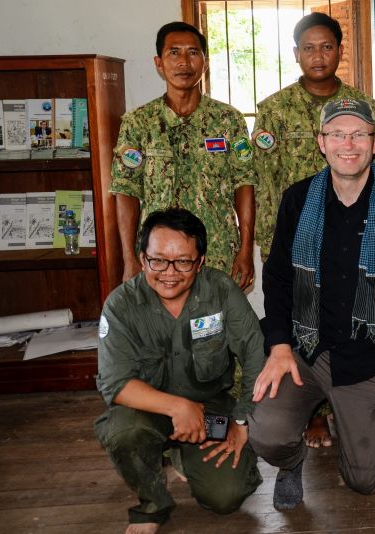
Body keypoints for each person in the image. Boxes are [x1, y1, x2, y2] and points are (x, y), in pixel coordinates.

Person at [247, 98, 375, 510]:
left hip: (369, 357)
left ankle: (349, 421)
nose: (347, 144)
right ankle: (292, 461)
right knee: (267, 435)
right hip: (305, 348)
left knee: (366, 481)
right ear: (321, 142)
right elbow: (279, 277)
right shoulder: (297, 200)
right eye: (337, 134)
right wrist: (279, 346)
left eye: (358, 134)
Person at [95, 208, 265, 533]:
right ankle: (152, 503)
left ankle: (182, 455)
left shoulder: (220, 291)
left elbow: (256, 355)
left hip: (209, 412)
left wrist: (241, 422)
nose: (169, 273)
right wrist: (178, 407)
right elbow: (115, 384)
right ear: (142, 258)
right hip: (148, 412)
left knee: (227, 496)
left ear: (200, 262)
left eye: (183, 262)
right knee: (122, 431)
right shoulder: (121, 305)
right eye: (158, 260)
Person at [252, 12, 375, 449]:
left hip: (353, 237)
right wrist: (270, 245)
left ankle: (342, 404)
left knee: (348, 320)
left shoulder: (362, 105)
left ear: (340, 52)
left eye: (327, 47)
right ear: (296, 54)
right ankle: (311, 413)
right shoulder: (274, 109)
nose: (318, 55)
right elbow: (264, 181)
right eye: (309, 47)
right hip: (297, 240)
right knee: (302, 320)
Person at [110, 21, 255, 288]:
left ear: (205, 62)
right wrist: (130, 258)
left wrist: (245, 251)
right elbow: (125, 191)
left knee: (216, 325)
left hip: (217, 252)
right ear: (158, 62)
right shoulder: (139, 123)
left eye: (193, 52)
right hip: (159, 258)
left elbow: (244, 184)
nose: (184, 62)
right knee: (162, 327)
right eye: (174, 53)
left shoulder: (228, 120)